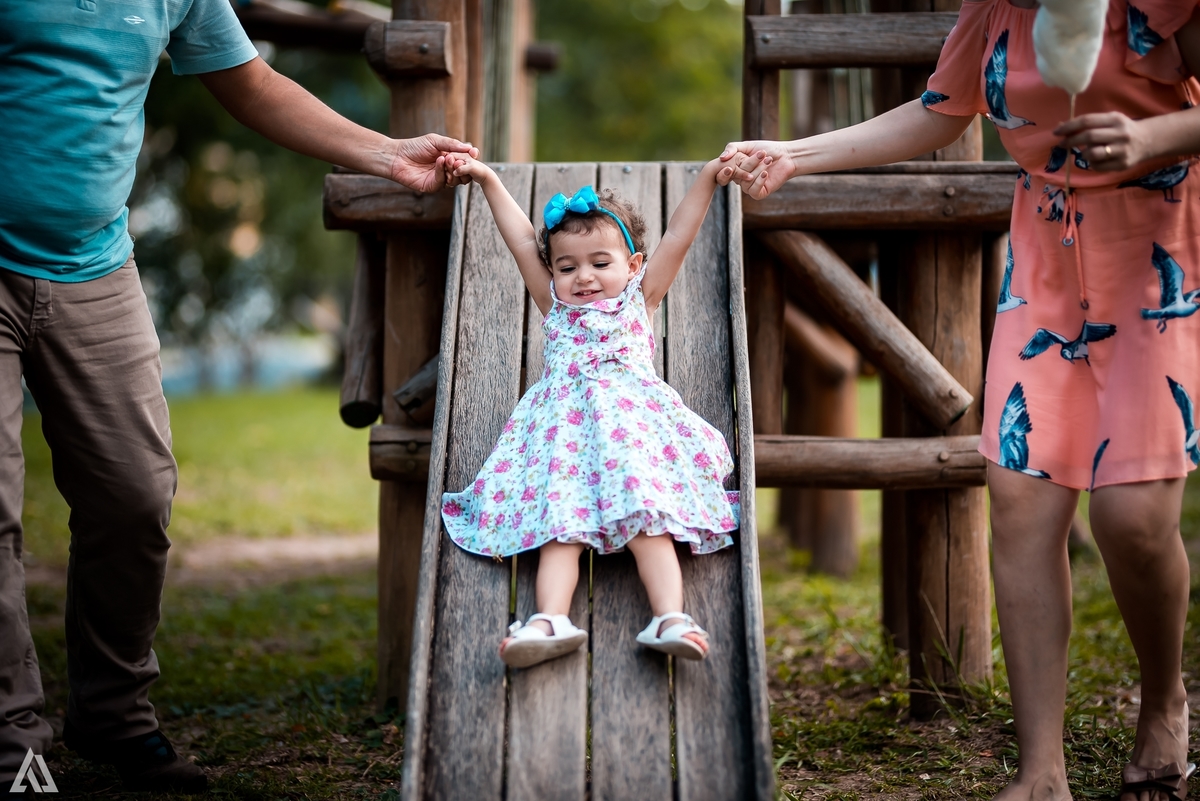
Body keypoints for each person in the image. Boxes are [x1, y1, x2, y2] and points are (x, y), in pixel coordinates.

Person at [721, 2, 1200, 799]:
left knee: (1132, 517)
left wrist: (1154, 137)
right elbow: (936, 113)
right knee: (1019, 502)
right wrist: (795, 155)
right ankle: (1040, 770)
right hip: (1046, 255)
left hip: (1160, 250)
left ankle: (1164, 700)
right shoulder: (993, 13)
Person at [0, 1, 475, 794]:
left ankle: (111, 714)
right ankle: (14, 744)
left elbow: (249, 83)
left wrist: (388, 154)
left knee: (135, 493)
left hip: (94, 266)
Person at [437, 154, 740, 667]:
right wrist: (487, 178)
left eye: (601, 263)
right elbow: (518, 241)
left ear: (634, 265)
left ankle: (671, 617)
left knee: (649, 515)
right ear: (552, 272)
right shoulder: (555, 307)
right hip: (565, 442)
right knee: (560, 525)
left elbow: (679, 236)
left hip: (633, 435)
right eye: (567, 266)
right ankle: (548, 619)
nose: (584, 277)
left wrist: (709, 176)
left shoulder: (639, 299)